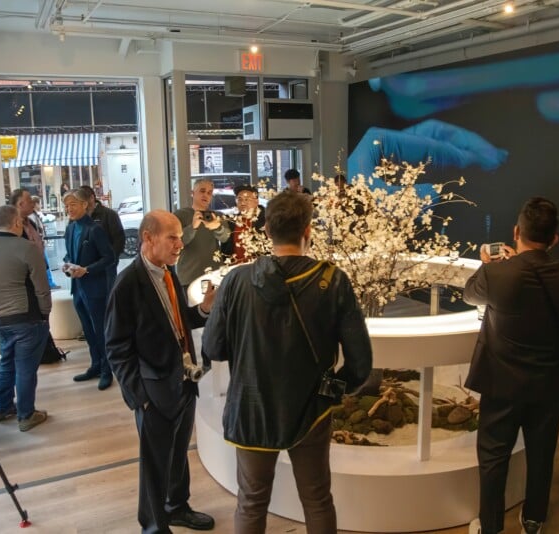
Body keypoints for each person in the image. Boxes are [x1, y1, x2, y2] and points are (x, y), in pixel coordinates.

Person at [202, 190, 373, 534]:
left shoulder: (236, 280)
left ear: (266, 230)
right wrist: (332, 392)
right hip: (311, 409)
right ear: (307, 230)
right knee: (317, 499)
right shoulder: (332, 280)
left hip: (251, 408)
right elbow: (361, 363)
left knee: (251, 502)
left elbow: (213, 347)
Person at [463, 197, 559, 534]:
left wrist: (489, 265)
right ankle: (533, 519)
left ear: (515, 232)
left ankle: (491, 527)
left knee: (493, 457)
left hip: (502, 382)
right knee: (542, 453)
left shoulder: (498, 273)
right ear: (554, 238)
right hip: (547, 383)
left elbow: (471, 294)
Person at [105, 210, 216, 533]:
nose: (180, 244)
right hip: (153, 391)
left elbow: (178, 322)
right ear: (148, 238)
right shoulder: (127, 284)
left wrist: (205, 309)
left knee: (178, 453)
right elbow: (116, 347)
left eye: (180, 236)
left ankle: (177, 506)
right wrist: (139, 398)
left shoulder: (168, 273)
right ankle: (154, 525)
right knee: (154, 464)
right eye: (172, 237)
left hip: (182, 383)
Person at [0, 205, 51, 432]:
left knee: (6, 362)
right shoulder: (27, 248)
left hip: (0, 317)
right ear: (16, 223)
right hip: (28, 317)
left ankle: (2, 408)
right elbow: (42, 287)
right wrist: (45, 313)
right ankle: (26, 415)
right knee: (25, 368)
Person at [63, 189, 116, 390]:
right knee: (87, 330)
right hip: (78, 288)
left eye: (73, 205)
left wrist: (86, 270)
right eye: (66, 206)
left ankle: (106, 369)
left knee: (100, 331)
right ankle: (95, 365)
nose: (69, 209)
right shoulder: (70, 229)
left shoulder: (95, 229)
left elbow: (109, 258)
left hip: (95, 288)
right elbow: (69, 255)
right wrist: (68, 264)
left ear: (85, 205)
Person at [174, 178, 231, 287]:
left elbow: (226, 238)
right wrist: (193, 227)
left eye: (209, 193)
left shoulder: (217, 216)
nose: (206, 195)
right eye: (202, 191)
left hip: (214, 275)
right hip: (189, 276)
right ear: (192, 193)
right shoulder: (180, 215)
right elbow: (177, 242)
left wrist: (218, 227)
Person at [79, 184, 125, 287]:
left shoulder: (109, 215)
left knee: (108, 297)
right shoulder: (79, 218)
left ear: (91, 198)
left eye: (83, 201)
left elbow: (119, 239)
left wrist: (111, 261)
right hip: (84, 268)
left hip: (106, 268)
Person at [219, 184, 266, 263]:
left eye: (247, 199)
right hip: (237, 269)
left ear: (256, 201)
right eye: (239, 199)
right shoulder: (231, 222)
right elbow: (225, 250)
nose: (243, 202)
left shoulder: (267, 221)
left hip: (261, 269)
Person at [30, 195, 61, 290]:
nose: (41, 205)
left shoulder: (35, 214)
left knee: (45, 265)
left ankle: (50, 283)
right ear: (35, 204)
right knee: (45, 265)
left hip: (40, 244)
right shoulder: (32, 216)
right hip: (38, 246)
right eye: (39, 203)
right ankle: (49, 284)